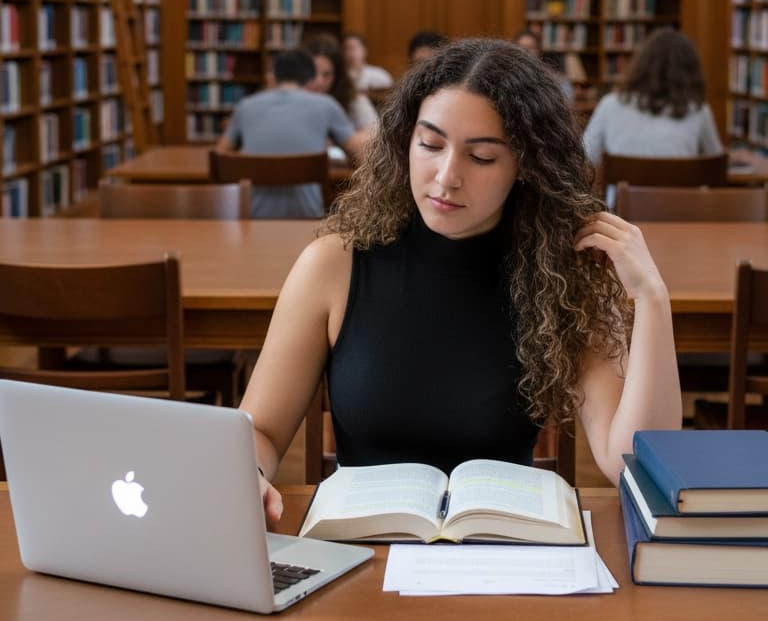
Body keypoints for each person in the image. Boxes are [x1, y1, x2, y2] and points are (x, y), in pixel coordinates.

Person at [239, 37, 682, 525]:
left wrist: (652, 299)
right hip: (362, 552)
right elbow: (261, 429)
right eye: (429, 144)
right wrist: (249, 472)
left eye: (483, 157)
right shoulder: (333, 264)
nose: (446, 176)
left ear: (527, 167)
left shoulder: (563, 276)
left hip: (501, 554)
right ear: (404, 141)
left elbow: (634, 467)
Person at [216, 48, 368, 217]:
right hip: (307, 218)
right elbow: (359, 152)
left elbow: (220, 155)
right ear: (311, 77)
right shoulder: (326, 104)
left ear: (274, 75)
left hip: (254, 218)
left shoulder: (246, 106)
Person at [583, 27, 723, 165]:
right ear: (690, 72)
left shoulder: (610, 104)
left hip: (624, 187)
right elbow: (716, 162)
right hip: (678, 187)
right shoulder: (698, 110)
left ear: (640, 65)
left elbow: (586, 157)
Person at [303, 33, 378, 132]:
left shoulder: (354, 100)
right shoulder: (293, 97)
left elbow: (376, 135)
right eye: (312, 72)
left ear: (338, 76)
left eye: (326, 74)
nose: (318, 81)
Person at [512, 28, 574, 100]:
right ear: (514, 50)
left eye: (531, 47)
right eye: (522, 47)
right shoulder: (508, 76)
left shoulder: (554, 77)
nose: (526, 51)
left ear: (539, 51)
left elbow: (568, 100)